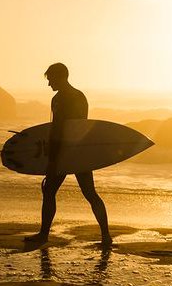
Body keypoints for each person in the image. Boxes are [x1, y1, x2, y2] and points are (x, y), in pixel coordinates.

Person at [25, 63, 112, 248]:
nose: (49, 84)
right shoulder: (79, 96)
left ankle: (43, 235)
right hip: (80, 152)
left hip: (67, 154)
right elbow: (81, 127)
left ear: (61, 76)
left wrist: (53, 160)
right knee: (89, 194)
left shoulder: (59, 99)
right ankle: (106, 236)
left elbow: (58, 131)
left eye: (50, 79)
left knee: (50, 192)